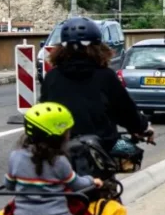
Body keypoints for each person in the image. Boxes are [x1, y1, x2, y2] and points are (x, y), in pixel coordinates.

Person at [41, 17, 154, 152]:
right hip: (100, 149)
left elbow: (43, 111)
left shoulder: (53, 76)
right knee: (127, 154)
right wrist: (142, 127)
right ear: (99, 48)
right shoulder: (105, 76)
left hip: (60, 149)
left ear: (61, 49)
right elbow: (125, 110)